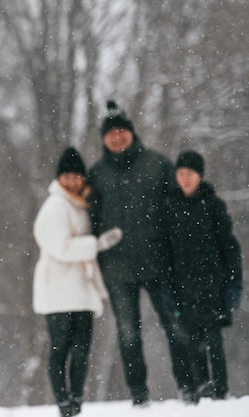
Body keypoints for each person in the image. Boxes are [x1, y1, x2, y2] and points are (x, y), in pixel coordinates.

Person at [86, 100, 195, 406]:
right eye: (111, 133)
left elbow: (179, 210)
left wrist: (179, 251)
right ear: (104, 139)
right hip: (118, 270)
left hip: (160, 264)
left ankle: (189, 390)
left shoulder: (158, 165)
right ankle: (139, 396)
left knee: (175, 326)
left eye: (122, 131)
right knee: (128, 334)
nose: (117, 137)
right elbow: (91, 223)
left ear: (131, 133)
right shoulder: (97, 174)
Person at [33, 147, 122, 417]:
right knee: (61, 350)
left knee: (82, 352)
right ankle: (64, 403)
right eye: (67, 176)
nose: (73, 181)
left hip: (81, 290)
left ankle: (76, 402)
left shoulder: (79, 205)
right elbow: (61, 247)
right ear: (59, 178)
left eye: (77, 176)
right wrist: (96, 244)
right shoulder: (54, 207)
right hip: (58, 290)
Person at [166, 150, 243, 401]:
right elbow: (164, 252)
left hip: (213, 285)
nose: (185, 178)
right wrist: (167, 288)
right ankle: (200, 388)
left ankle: (220, 391)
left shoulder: (213, 205)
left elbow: (229, 247)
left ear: (199, 176)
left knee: (214, 340)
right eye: (180, 173)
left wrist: (234, 282)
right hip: (183, 287)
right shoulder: (170, 207)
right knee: (192, 340)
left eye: (189, 173)